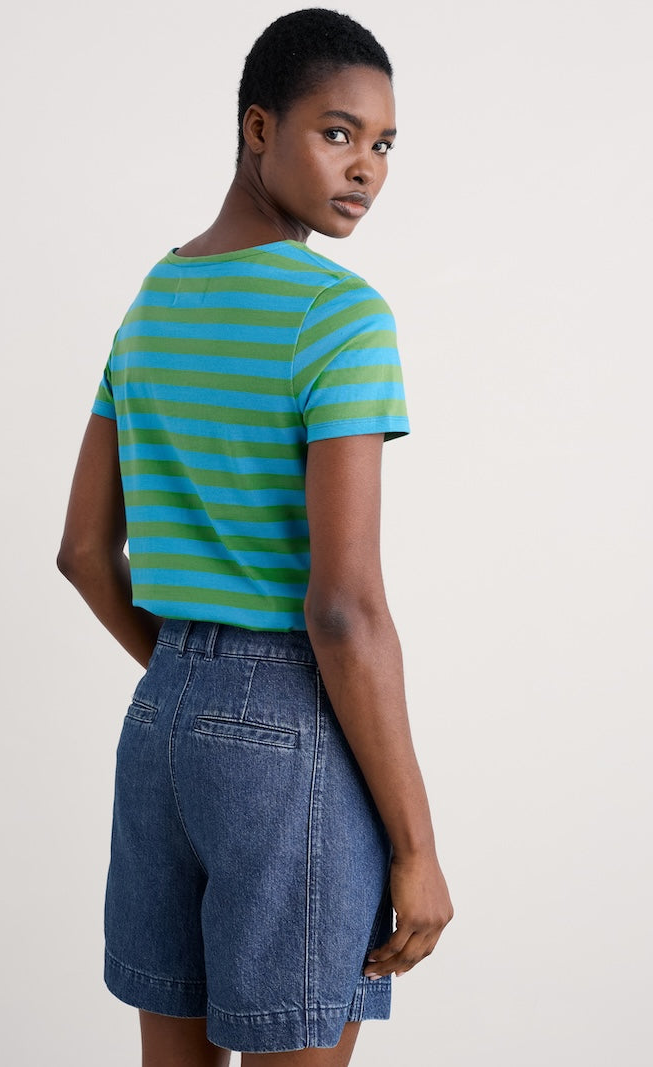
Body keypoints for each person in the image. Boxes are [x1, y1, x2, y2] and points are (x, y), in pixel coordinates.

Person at [57, 8, 453, 1065]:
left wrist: (189, 674)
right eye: (336, 132)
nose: (365, 168)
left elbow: (84, 553)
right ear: (256, 126)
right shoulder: (340, 318)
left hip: (158, 729)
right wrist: (416, 850)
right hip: (287, 734)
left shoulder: (151, 303)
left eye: (382, 144)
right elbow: (342, 605)